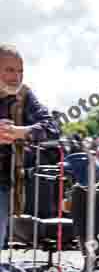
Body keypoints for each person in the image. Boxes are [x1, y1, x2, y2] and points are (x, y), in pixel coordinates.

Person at [0, 44, 60, 249]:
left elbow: (52, 128)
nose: (16, 77)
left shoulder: (24, 95)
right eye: (9, 70)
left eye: (20, 71)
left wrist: (20, 132)